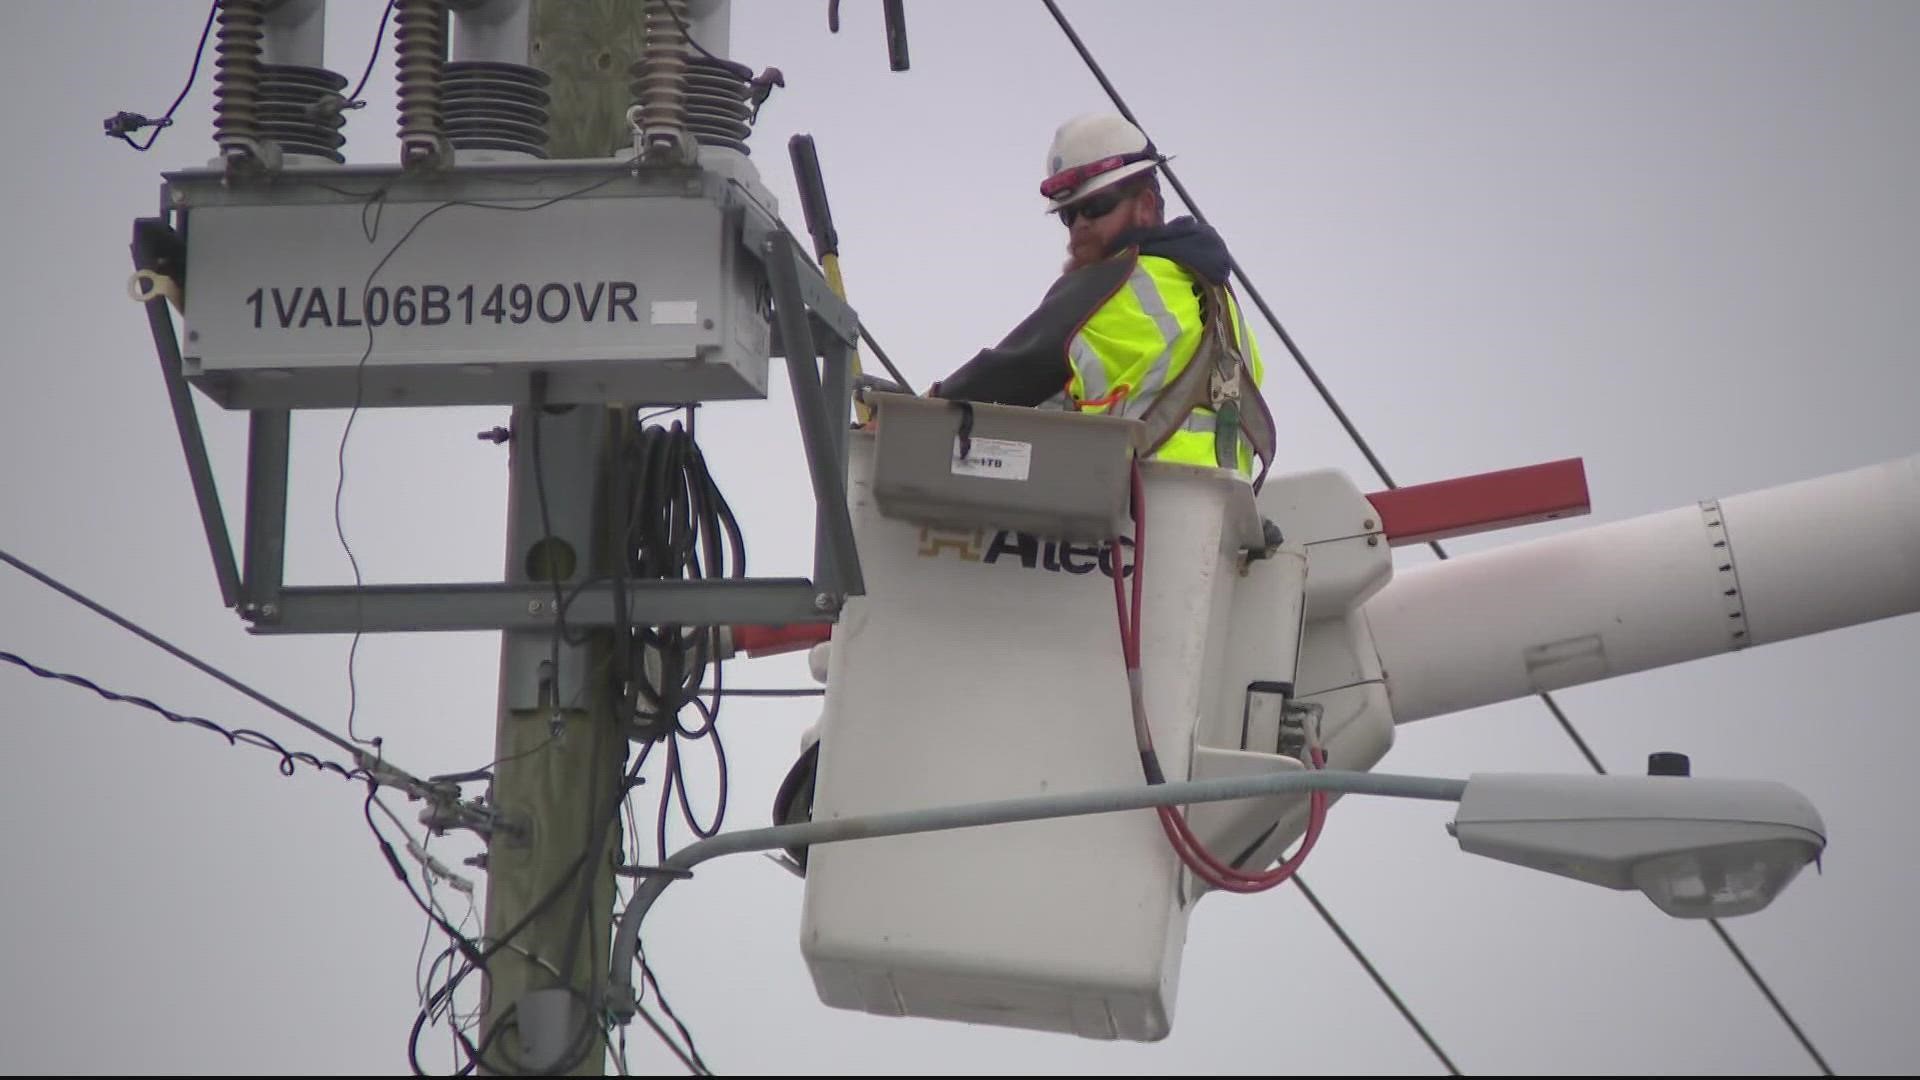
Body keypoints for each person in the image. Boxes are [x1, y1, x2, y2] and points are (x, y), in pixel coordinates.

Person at [931, 113, 1274, 481]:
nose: (1080, 223)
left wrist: (921, 408)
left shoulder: (1110, 283)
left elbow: (1004, 375)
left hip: (1137, 507)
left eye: (1095, 207)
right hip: (1214, 512)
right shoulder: (1221, 299)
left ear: (1144, 204)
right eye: (1069, 214)